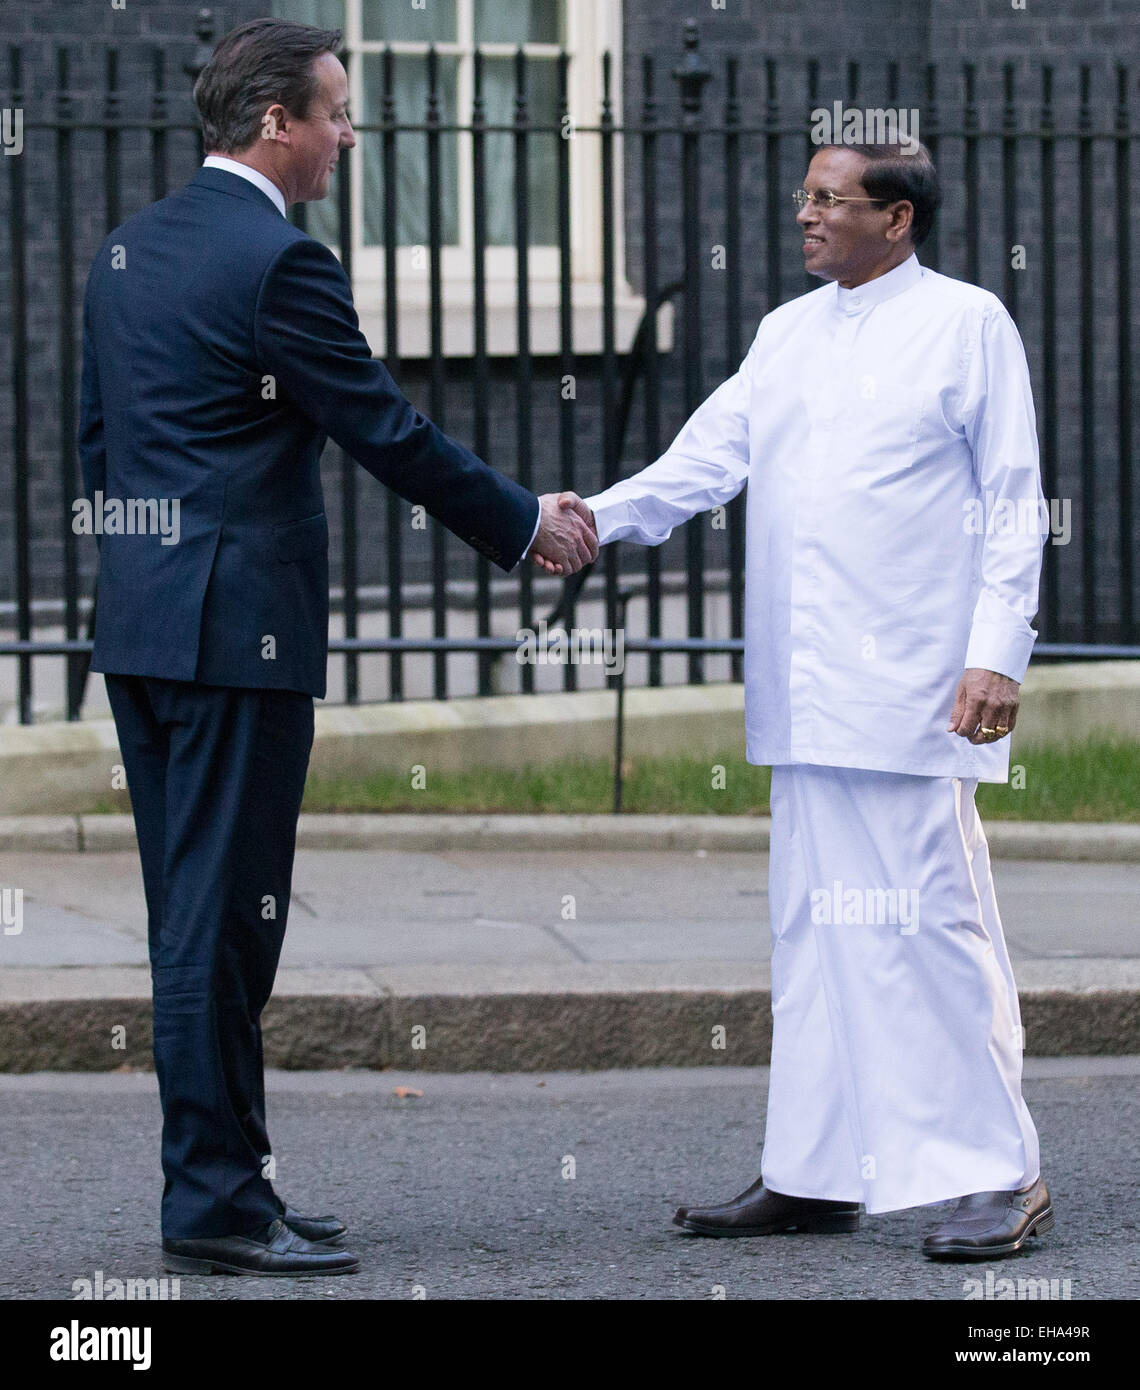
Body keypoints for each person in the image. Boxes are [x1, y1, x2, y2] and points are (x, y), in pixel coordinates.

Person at [77, 17, 597, 1277]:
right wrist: (524, 522)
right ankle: (213, 1199)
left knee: (196, 916)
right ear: (276, 125)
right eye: (338, 115)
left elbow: (100, 451)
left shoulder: (126, 249)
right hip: (235, 636)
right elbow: (384, 429)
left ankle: (233, 1182)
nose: (349, 137)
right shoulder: (280, 261)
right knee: (223, 927)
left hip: (145, 625)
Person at [564, 139, 1053, 1259]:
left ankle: (1002, 1168)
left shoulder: (969, 324)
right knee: (817, 934)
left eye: (832, 200)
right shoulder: (785, 335)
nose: (808, 216)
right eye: (805, 198)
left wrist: (998, 653)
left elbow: (1015, 501)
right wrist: (587, 518)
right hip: (808, 687)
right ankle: (818, 1168)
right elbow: (701, 464)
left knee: (932, 924)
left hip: (920, 691)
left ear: (899, 218)